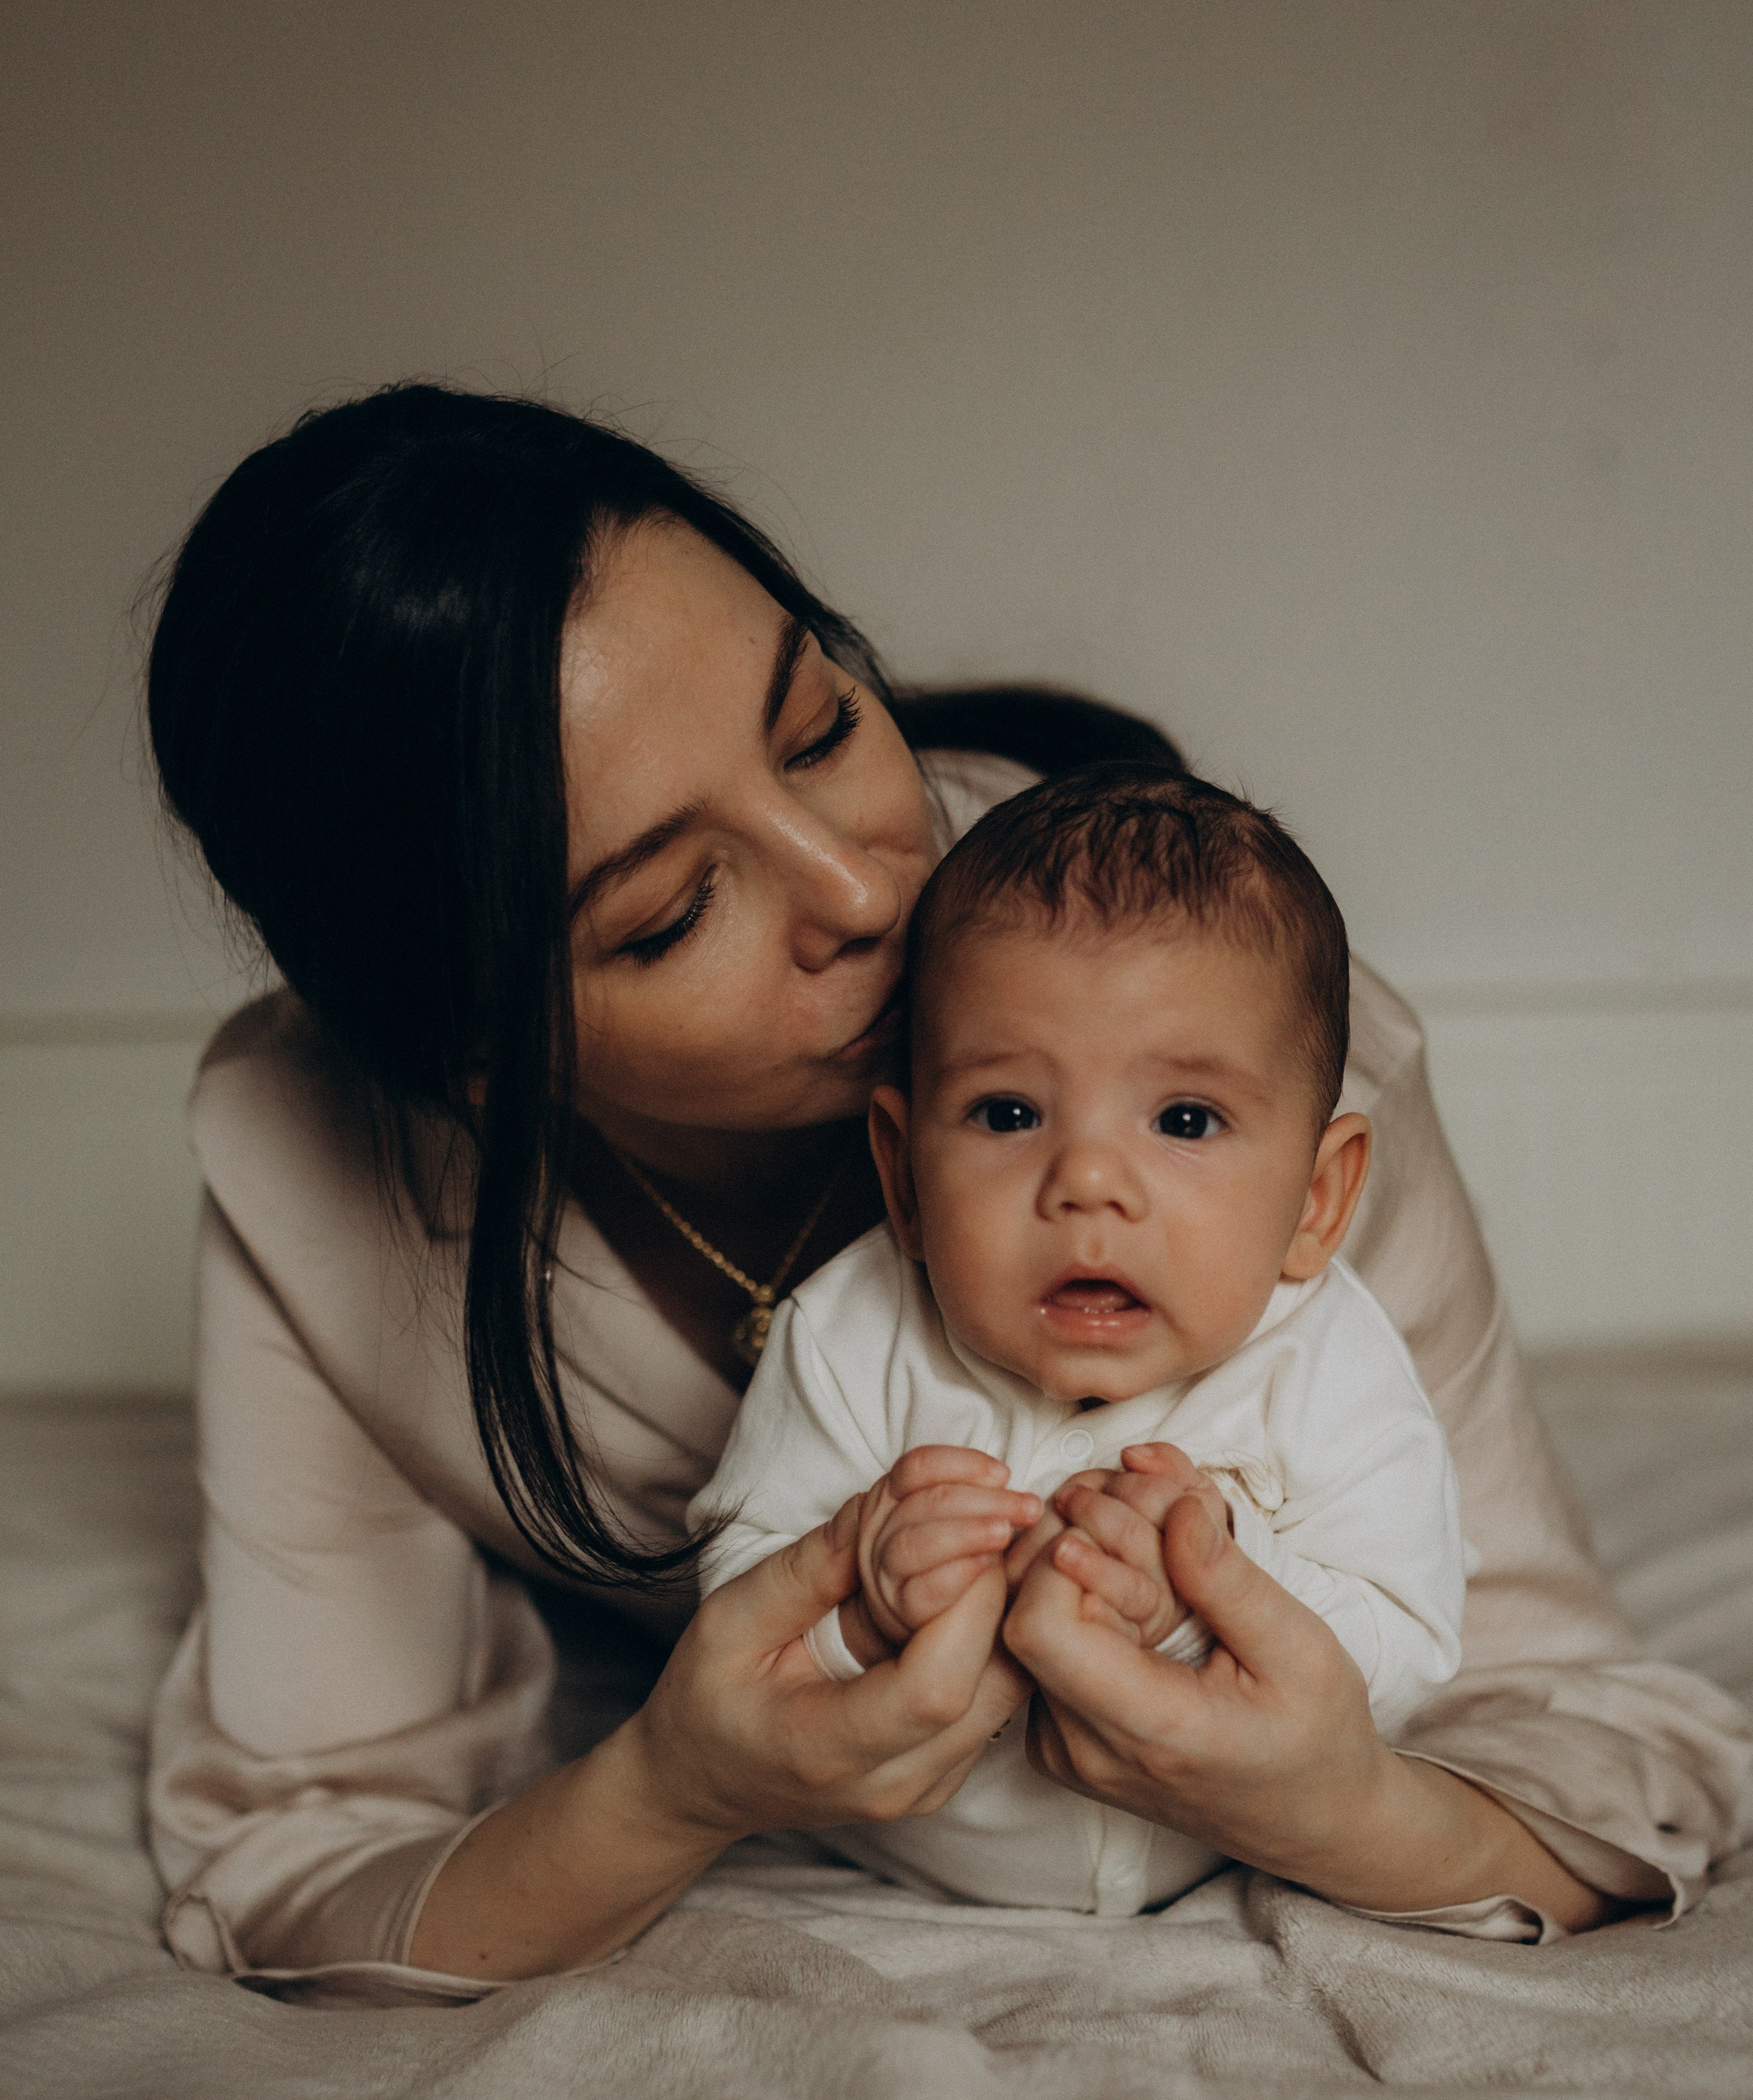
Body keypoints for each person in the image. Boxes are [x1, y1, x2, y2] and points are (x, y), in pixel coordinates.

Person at [142, 382, 1749, 2001]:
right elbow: (302, 1856)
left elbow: (1596, 1744)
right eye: (672, 910)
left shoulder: (1264, 1103)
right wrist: (674, 1787)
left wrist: (1343, 1806)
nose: (861, 886)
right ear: (474, 1061)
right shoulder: (311, 1155)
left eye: (824, 727)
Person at [692, 766, 1473, 1920]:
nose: (1090, 1182)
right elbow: (733, 1610)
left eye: (1186, 1120)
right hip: (902, 1878)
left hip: (1218, 1870)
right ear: (904, 1175)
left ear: (1316, 1199)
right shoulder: (851, 1337)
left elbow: (1411, 1646)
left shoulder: (1331, 1364)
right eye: (1009, 1113)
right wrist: (860, 1607)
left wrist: (1208, 1602)